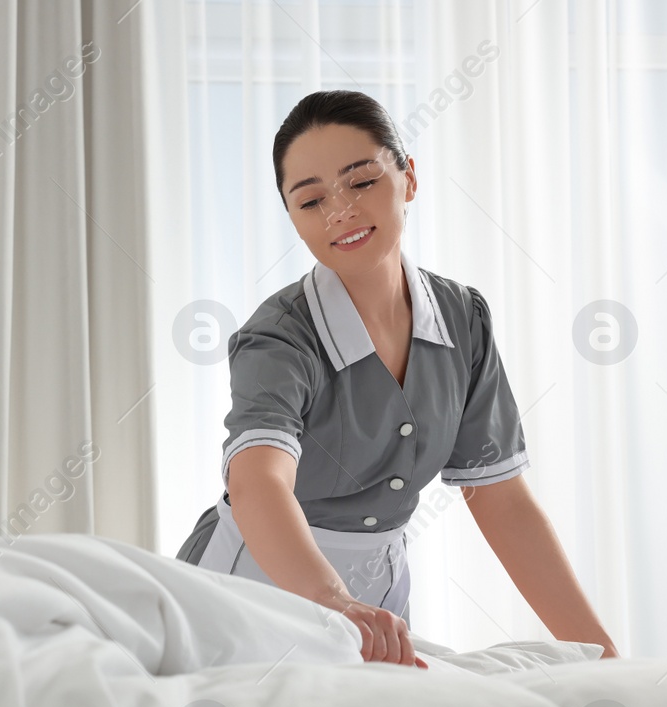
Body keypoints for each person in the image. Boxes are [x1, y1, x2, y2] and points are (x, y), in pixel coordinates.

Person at [177, 89, 619, 668]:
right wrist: (333, 601)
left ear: (409, 178)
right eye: (310, 201)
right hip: (252, 586)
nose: (339, 211)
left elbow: (501, 500)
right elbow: (260, 480)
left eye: (360, 182)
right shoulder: (281, 337)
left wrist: (606, 657)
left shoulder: (462, 320)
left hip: (377, 602)